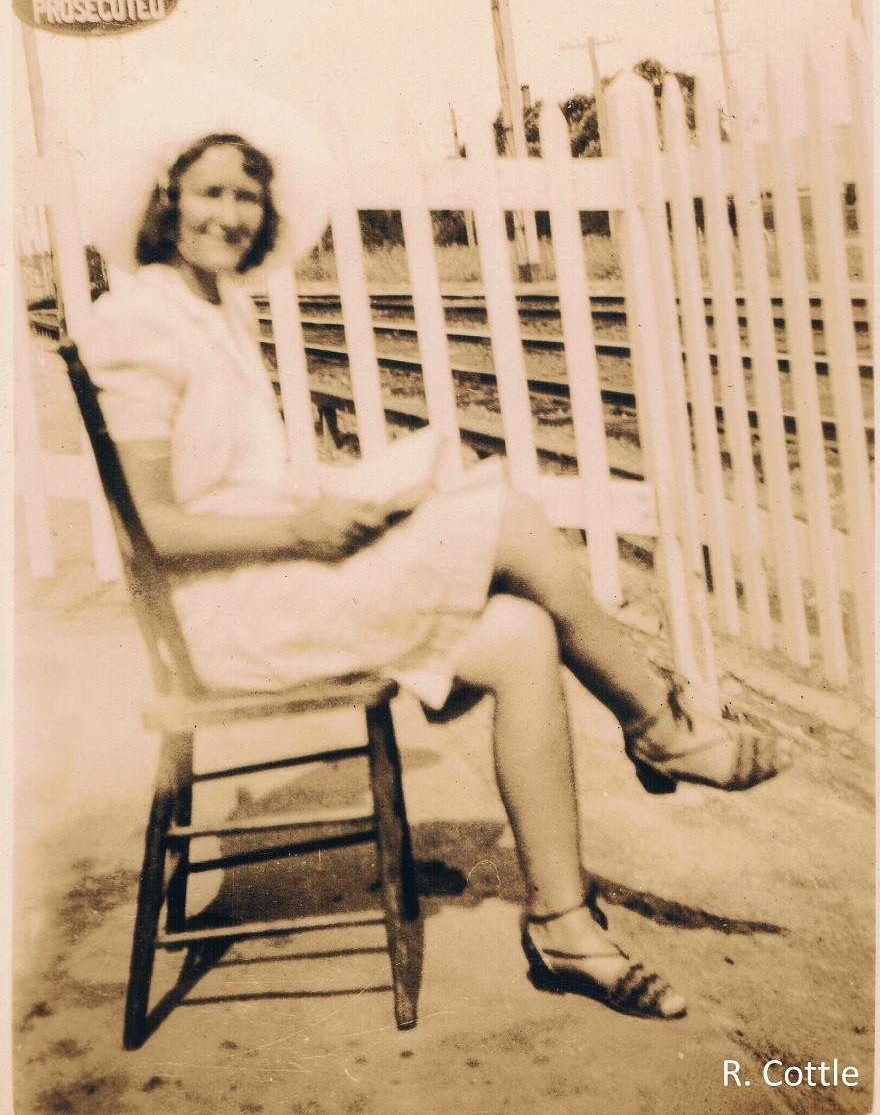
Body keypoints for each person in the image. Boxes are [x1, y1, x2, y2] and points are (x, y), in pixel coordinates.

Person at [79, 65, 789, 1024]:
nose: (236, 212)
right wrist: (304, 525)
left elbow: (237, 480)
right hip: (234, 614)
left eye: (251, 194)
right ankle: (661, 727)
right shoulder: (133, 322)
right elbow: (158, 529)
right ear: (167, 201)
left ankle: (564, 928)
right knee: (503, 517)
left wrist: (348, 496)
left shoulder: (214, 308)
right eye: (213, 191)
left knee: (522, 634)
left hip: (281, 576)